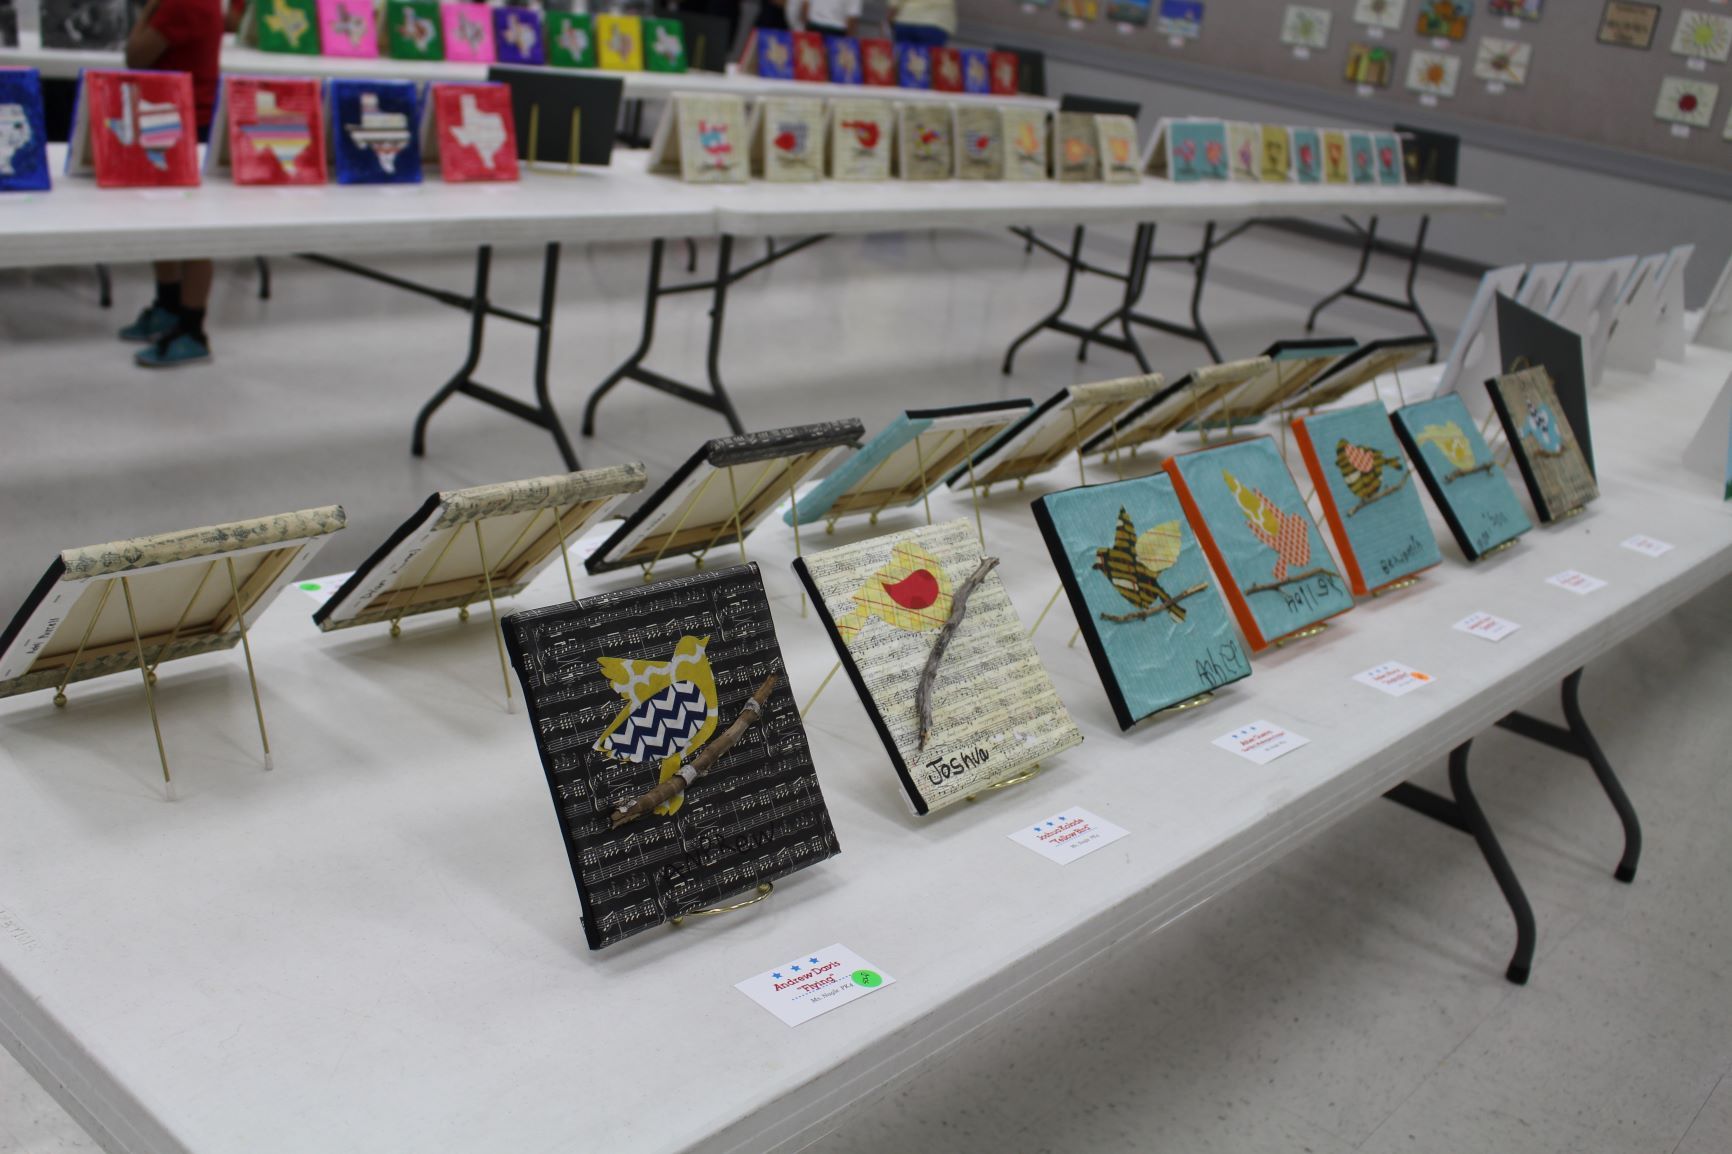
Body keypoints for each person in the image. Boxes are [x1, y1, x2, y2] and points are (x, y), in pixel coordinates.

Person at [120, 0, 224, 369]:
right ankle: (168, 304)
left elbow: (135, 56)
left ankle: (192, 328)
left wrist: (147, 10)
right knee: (163, 218)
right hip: (170, 115)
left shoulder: (181, 3)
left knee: (193, 227)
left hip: (187, 122)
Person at [887, 0, 952, 45]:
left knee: (904, 57)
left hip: (906, 20)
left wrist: (889, 18)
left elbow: (894, 4)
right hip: (936, 22)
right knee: (930, 58)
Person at [790, 0, 860, 38]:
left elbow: (805, 6)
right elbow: (852, 17)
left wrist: (806, 27)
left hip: (814, 26)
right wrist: (848, 39)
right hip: (837, 31)